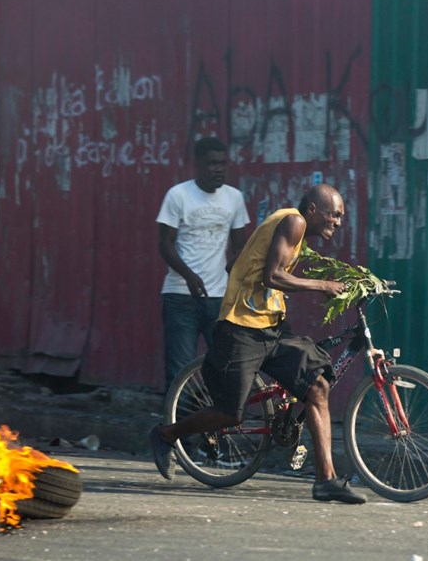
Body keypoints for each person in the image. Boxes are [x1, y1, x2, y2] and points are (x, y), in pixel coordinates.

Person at [148, 183, 367, 504]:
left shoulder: (292, 231)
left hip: (272, 326)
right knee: (229, 415)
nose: (337, 221)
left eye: (341, 217)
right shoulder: (294, 222)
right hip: (240, 329)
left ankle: (326, 481)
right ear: (312, 210)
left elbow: (234, 264)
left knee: (317, 387)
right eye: (334, 214)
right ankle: (166, 434)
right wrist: (322, 285)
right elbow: (273, 276)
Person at [156, 137, 249, 390]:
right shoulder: (178, 195)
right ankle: (175, 428)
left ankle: (209, 426)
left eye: (222, 163)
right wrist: (188, 275)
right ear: (197, 164)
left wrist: (237, 274)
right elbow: (165, 243)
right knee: (180, 370)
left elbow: (241, 247)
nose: (218, 168)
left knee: (225, 365)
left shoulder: (234, 198)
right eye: (211, 163)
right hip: (180, 297)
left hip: (219, 298)